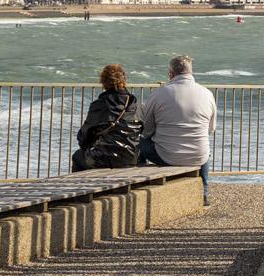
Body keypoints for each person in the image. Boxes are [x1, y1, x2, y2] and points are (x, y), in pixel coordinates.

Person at [138, 54, 217, 202]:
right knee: (204, 148)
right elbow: (210, 129)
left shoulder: (159, 93)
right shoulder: (207, 94)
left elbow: (147, 130)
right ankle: (204, 193)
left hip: (166, 156)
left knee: (140, 142)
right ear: (190, 72)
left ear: (171, 74)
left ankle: (140, 184)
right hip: (197, 157)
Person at [72, 64, 141, 171]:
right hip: (131, 159)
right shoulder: (135, 104)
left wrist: (89, 145)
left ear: (103, 82)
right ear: (124, 80)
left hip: (105, 158)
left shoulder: (100, 104)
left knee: (78, 156)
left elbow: (83, 136)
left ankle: (80, 187)